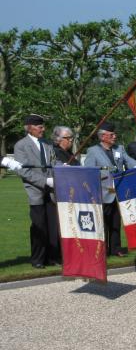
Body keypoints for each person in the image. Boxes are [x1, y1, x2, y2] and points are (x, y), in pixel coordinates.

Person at [84, 121, 136, 257]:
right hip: (101, 191)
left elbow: (129, 160)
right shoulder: (93, 151)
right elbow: (89, 171)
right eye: (111, 134)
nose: (115, 136)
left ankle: (115, 248)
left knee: (115, 222)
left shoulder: (119, 148)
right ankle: (102, 250)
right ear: (102, 137)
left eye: (114, 134)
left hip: (118, 191)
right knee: (102, 222)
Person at [14, 114, 60, 268]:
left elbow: (54, 163)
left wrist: (62, 168)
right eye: (40, 127)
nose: (43, 129)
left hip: (52, 192)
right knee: (39, 227)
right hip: (36, 192)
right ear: (30, 128)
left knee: (52, 226)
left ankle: (51, 258)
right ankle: (37, 259)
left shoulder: (47, 144)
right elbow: (23, 171)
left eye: (43, 126)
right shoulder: (21, 146)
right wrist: (45, 181)